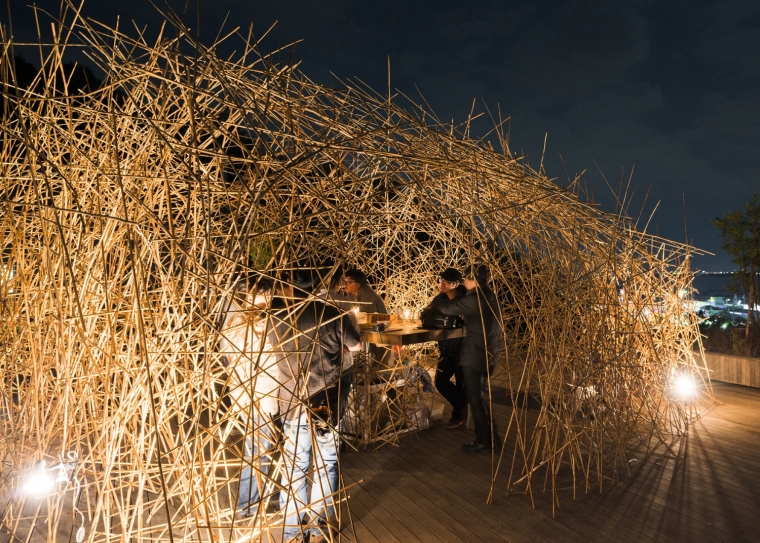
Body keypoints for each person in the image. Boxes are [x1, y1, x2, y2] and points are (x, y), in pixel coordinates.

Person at [272, 270, 362, 542]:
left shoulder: (278, 315)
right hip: (324, 403)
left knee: (295, 466)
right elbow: (355, 345)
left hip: (290, 402)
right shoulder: (332, 314)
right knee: (327, 463)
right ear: (319, 287)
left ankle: (291, 532)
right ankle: (319, 526)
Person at [219, 275, 280, 517]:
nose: (269, 298)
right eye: (266, 294)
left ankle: (251, 502)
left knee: (255, 448)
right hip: (259, 395)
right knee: (257, 450)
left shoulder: (234, 320)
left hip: (244, 393)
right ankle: (249, 505)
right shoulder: (258, 324)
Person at [430, 264, 502, 452]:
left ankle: (485, 441)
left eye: (467, 279)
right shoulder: (488, 296)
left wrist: (437, 303)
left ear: (475, 281)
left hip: (476, 355)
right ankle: (490, 439)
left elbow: (445, 308)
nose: (464, 282)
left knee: (476, 399)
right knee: (477, 397)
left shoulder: (476, 299)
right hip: (486, 353)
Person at [426, 268, 468, 428]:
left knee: (461, 384)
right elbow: (430, 313)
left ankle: (458, 416)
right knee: (441, 382)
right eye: (441, 280)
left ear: (456, 284)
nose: (441, 284)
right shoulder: (439, 299)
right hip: (446, 348)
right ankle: (464, 407)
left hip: (464, 350)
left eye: (445, 282)